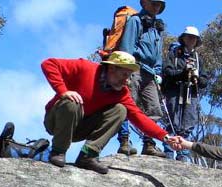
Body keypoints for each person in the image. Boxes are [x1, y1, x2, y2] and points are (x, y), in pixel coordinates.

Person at [41, 51, 171, 174]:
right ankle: (58, 151)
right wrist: (63, 91)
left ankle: (88, 155)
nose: (127, 80)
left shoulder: (121, 92)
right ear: (112, 68)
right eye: (124, 75)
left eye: (130, 76)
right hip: (57, 121)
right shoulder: (86, 68)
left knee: (120, 110)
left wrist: (165, 137)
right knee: (72, 102)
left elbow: (138, 117)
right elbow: (49, 64)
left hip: (80, 128)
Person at [115, 0, 169, 157]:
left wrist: (158, 72)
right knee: (127, 105)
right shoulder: (135, 21)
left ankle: (149, 144)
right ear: (144, 3)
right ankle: (125, 142)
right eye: (154, 3)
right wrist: (126, 69)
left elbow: (158, 54)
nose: (156, 6)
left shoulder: (157, 28)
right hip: (135, 68)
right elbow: (127, 46)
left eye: (159, 4)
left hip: (151, 74)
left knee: (155, 109)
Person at [160, 26, 209, 161]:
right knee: (173, 121)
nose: (191, 39)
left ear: (197, 40)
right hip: (175, 91)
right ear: (183, 38)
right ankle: (169, 151)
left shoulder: (198, 59)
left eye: (194, 38)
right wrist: (182, 73)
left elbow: (205, 81)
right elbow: (167, 71)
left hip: (191, 92)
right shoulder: (174, 54)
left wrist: (196, 77)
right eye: (189, 37)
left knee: (188, 122)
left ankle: (183, 154)